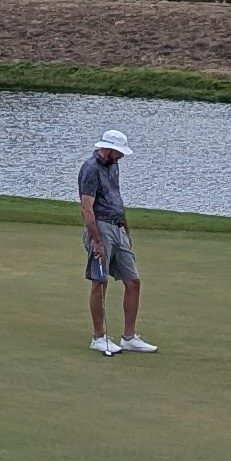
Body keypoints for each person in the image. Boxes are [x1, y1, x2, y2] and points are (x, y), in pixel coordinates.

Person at [75, 129, 150, 352]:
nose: (123, 156)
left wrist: (126, 229)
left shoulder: (113, 165)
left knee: (133, 281)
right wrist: (96, 240)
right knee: (100, 282)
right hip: (100, 227)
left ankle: (128, 337)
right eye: (120, 152)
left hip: (117, 227)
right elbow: (87, 208)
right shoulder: (90, 169)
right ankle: (99, 337)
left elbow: (117, 197)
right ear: (109, 149)